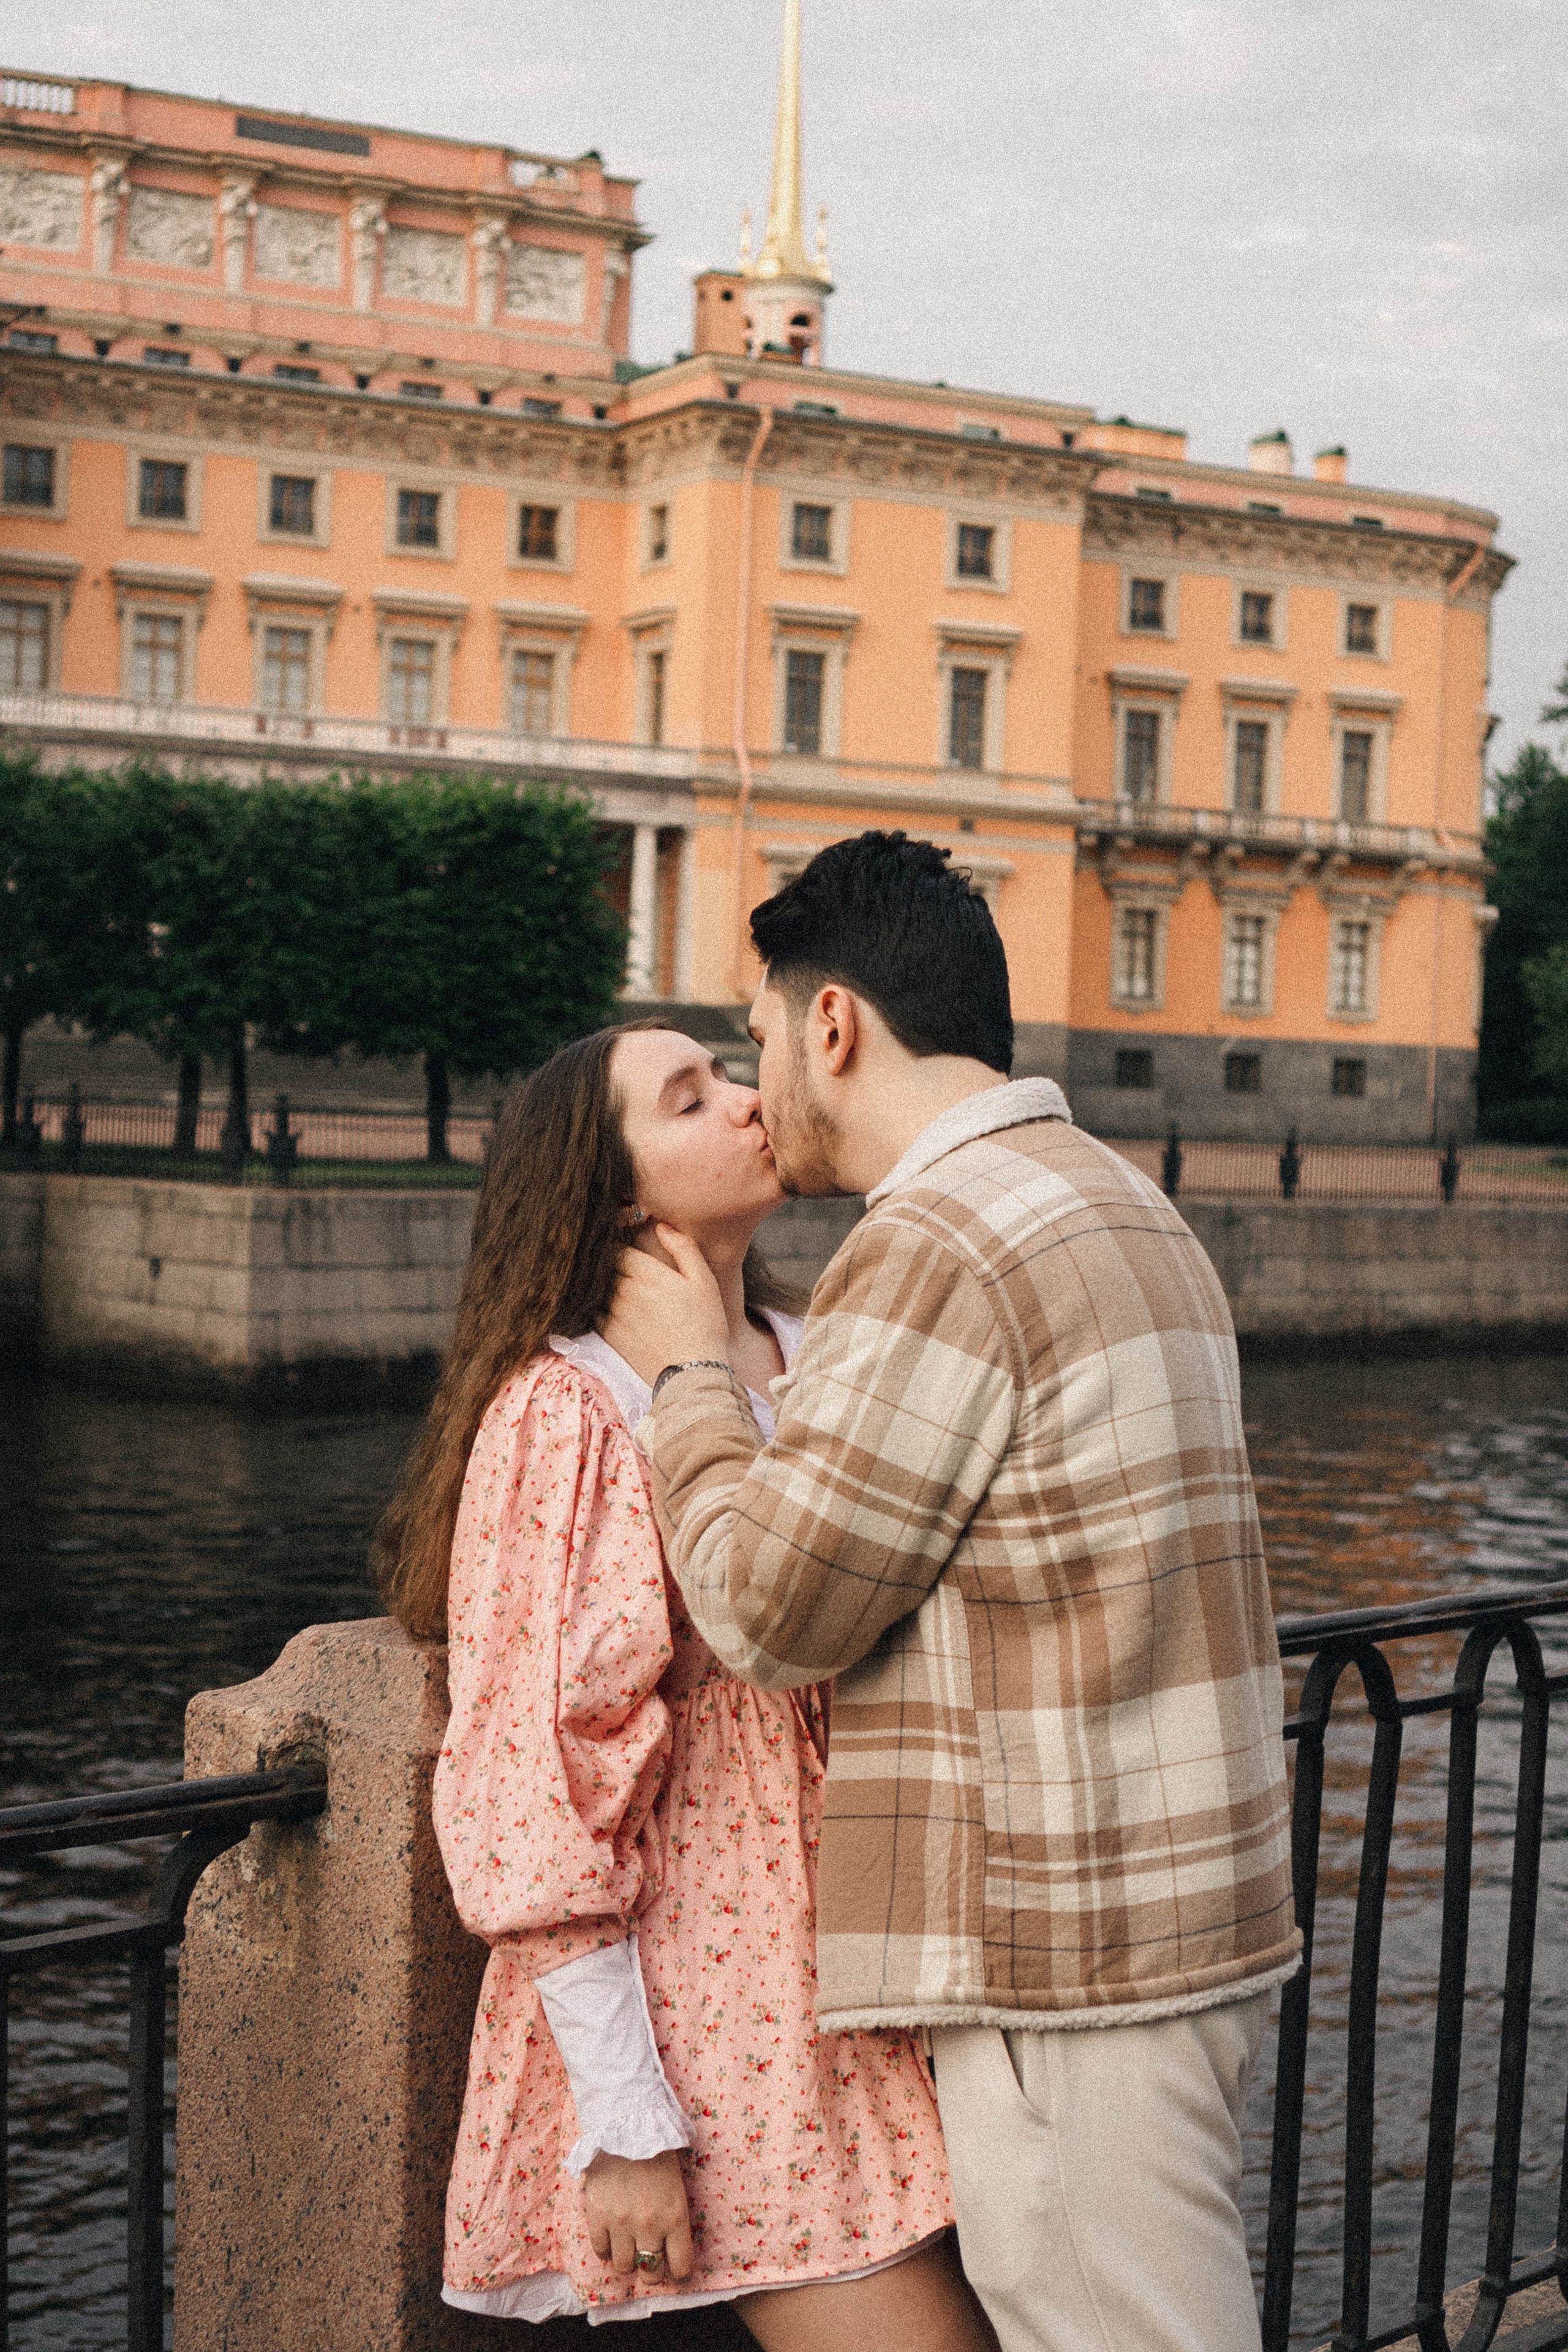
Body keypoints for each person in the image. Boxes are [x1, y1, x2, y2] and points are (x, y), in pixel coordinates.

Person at [601, 833, 1302, 2352]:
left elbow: (768, 1614)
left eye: (760, 1037)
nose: (759, 1077)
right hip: (1181, 1914)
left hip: (1068, 1956)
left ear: (834, 1024)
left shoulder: (936, 1242)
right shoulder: (1117, 1200)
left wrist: (686, 1378)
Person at [374, 1020, 994, 2348]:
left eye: (727, 1069)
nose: (742, 1102)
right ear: (612, 1196)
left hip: (885, 1972)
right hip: (721, 2011)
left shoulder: (811, 1345)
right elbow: (531, 1779)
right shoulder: (567, 1413)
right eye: (687, 1099)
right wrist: (628, 2121)